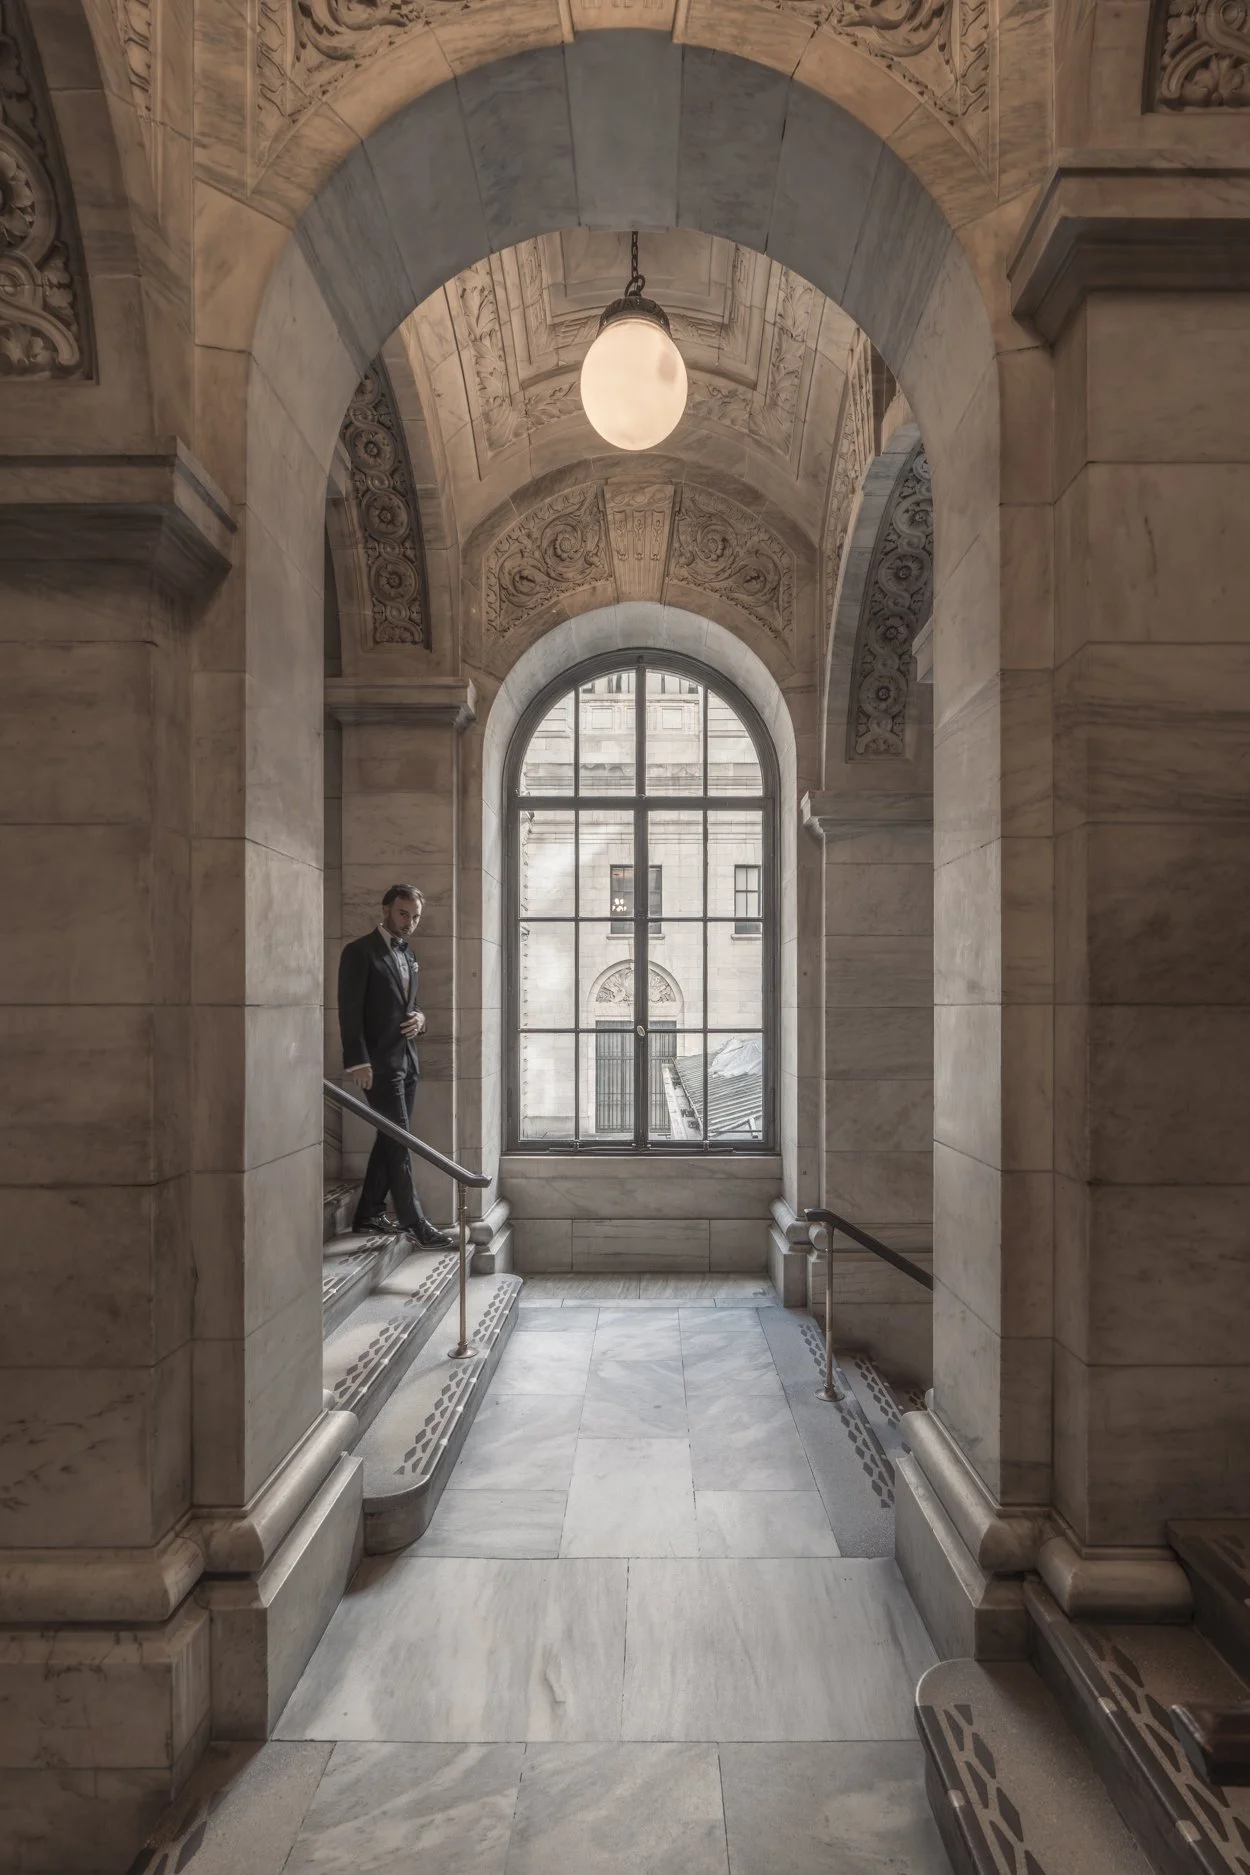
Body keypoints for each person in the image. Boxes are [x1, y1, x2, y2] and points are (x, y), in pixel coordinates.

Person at [337, 884, 454, 1247]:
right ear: (387, 908)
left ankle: (369, 1211)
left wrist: (422, 1019)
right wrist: (357, 1061)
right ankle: (413, 1222)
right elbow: (349, 1011)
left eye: (416, 917)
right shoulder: (359, 952)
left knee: (391, 1138)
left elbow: (412, 1005)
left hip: (407, 1060)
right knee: (399, 1142)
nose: (409, 923)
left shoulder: (409, 953)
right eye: (404, 914)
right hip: (377, 1065)